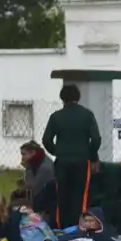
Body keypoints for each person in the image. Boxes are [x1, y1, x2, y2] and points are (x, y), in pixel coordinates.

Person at [42, 83, 102, 229]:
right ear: (78, 97)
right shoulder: (87, 115)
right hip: (82, 161)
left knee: (62, 196)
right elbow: (96, 139)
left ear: (62, 98)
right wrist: (92, 156)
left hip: (62, 161)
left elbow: (46, 140)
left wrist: (58, 152)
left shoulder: (56, 117)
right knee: (81, 195)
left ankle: (61, 227)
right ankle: (79, 226)